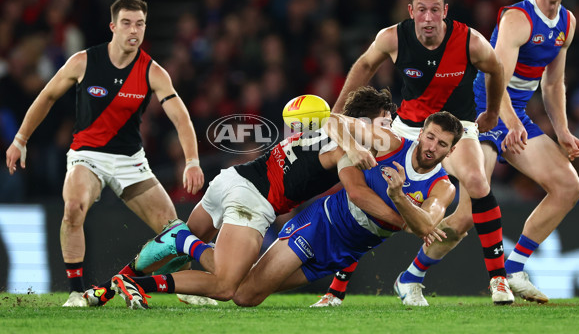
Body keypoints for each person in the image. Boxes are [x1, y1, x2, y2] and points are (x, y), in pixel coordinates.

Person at [83, 86, 429, 309]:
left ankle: (110, 286)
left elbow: (335, 121)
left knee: (194, 249)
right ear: (366, 120)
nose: (392, 128)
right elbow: (354, 187)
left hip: (231, 180)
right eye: (388, 120)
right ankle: (160, 261)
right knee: (225, 285)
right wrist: (405, 218)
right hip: (252, 200)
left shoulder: (326, 126)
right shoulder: (352, 140)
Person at [314, 0, 513, 307]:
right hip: (407, 128)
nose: (429, 17)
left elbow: (496, 68)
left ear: (445, 11)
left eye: (435, 10)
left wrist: (491, 113)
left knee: (476, 182)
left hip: (456, 128)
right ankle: (336, 289)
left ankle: (498, 279)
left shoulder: (470, 42)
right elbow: (365, 64)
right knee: (373, 200)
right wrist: (337, 112)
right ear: (411, 12)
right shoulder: (393, 37)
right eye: (422, 10)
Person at [4, 0, 205, 307]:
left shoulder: (153, 71)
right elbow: (46, 97)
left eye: (139, 24)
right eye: (126, 23)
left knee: (174, 229)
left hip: (131, 161)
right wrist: (20, 140)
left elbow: (181, 117)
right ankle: (76, 292)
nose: (133, 30)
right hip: (88, 155)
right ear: (113, 26)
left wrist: (192, 161)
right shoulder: (83, 61)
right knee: (73, 208)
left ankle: (186, 287)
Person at [473, 0, 579, 303]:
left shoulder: (567, 23)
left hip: (515, 114)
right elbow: (497, 77)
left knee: (569, 187)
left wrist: (563, 131)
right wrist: (508, 122)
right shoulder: (518, 18)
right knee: (465, 211)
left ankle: (515, 267)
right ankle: (413, 276)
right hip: (484, 107)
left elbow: (553, 84)